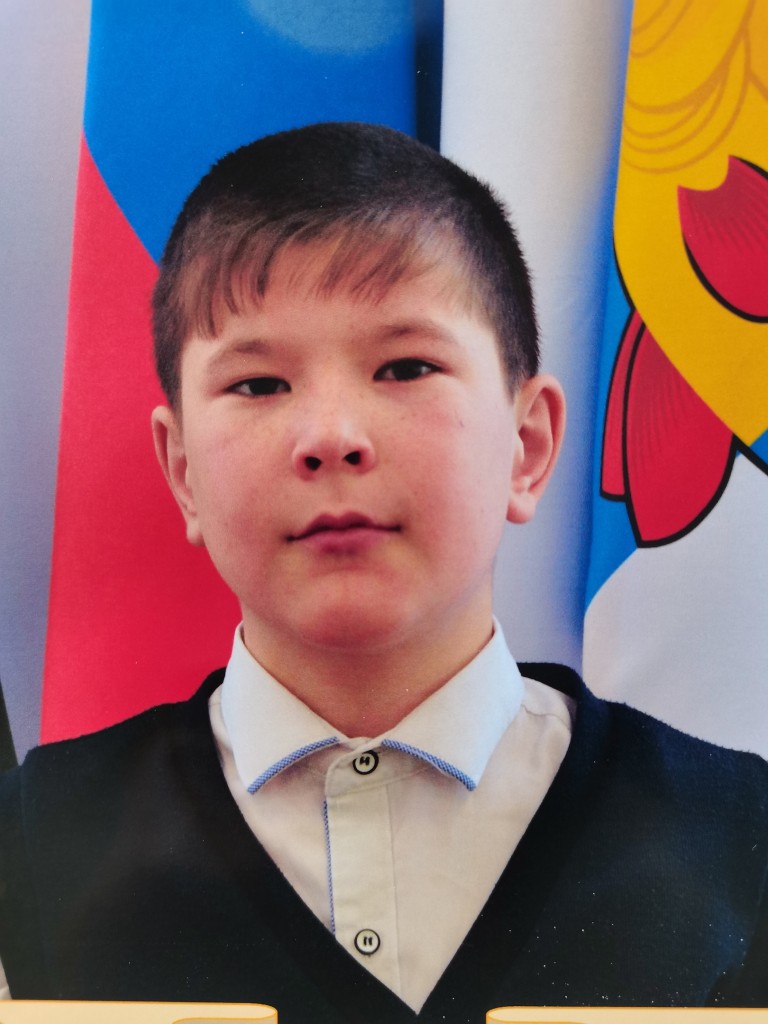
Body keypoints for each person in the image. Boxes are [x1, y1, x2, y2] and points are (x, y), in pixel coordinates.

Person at [0, 122, 766, 1022]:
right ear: (182, 473)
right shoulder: (32, 843)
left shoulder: (738, 837)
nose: (332, 436)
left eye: (405, 367)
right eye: (258, 384)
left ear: (527, 445)